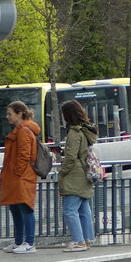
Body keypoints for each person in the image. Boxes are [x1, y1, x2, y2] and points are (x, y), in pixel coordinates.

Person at [0, 100, 40, 253]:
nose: (7, 117)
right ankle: (19, 242)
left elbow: (24, 155)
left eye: (10, 114)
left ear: (19, 114)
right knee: (16, 208)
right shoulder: (24, 130)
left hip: (20, 177)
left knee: (24, 208)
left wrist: (16, 173)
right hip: (18, 176)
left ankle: (29, 243)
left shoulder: (23, 131)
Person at [58, 99, 98, 252]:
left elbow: (70, 157)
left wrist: (62, 172)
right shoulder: (85, 131)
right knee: (84, 209)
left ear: (68, 115)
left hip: (74, 175)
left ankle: (79, 241)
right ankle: (87, 239)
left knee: (69, 210)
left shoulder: (74, 133)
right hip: (85, 172)